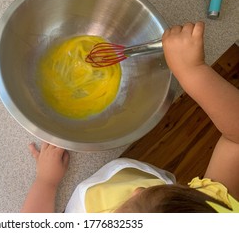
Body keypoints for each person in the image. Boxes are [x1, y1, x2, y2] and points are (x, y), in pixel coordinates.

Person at [20, 22, 239, 213]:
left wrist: (46, 182)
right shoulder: (214, 213)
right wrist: (193, 72)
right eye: (169, 192)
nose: (137, 191)